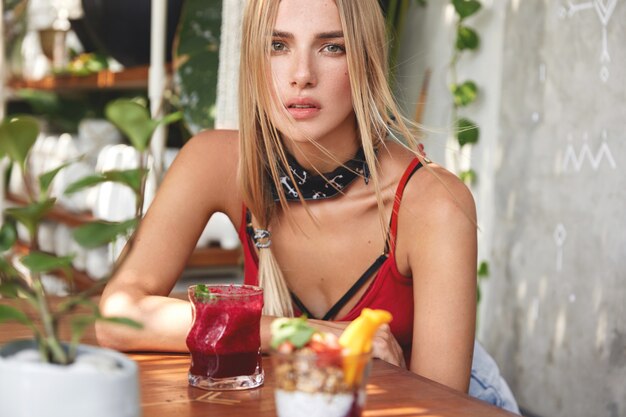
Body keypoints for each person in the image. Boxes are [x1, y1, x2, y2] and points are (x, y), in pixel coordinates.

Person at [96, 0, 518, 412]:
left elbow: (438, 407)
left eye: (332, 47)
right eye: (277, 45)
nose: (301, 75)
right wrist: (302, 334)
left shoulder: (433, 204)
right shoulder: (217, 162)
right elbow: (118, 317)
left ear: (366, 60)